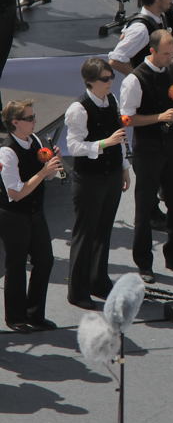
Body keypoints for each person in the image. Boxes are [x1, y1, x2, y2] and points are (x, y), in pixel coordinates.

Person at [119, 29, 173, 283]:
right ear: (152, 51)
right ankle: (144, 262)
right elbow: (126, 118)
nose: (172, 57)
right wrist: (159, 117)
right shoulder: (135, 80)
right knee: (145, 208)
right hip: (148, 149)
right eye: (166, 53)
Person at [64, 58, 130, 310]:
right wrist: (104, 144)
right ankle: (77, 291)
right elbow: (74, 147)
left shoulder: (111, 100)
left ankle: (98, 281)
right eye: (104, 79)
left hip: (111, 174)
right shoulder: (78, 109)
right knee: (85, 233)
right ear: (90, 82)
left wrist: (124, 169)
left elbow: (121, 138)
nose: (110, 81)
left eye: (111, 76)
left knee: (104, 230)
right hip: (89, 179)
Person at [0, 99, 63, 332]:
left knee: (45, 260)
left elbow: (47, 179)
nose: (34, 121)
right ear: (15, 123)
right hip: (13, 216)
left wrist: (51, 168)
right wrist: (43, 172)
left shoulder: (35, 140)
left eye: (33, 116)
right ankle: (15, 317)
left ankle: (35, 313)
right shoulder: (7, 152)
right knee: (15, 265)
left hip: (35, 212)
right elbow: (16, 193)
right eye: (29, 118)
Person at [108, 0, 173, 75]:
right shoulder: (140, 29)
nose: (171, 0)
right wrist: (141, 81)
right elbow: (115, 61)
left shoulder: (161, 17)